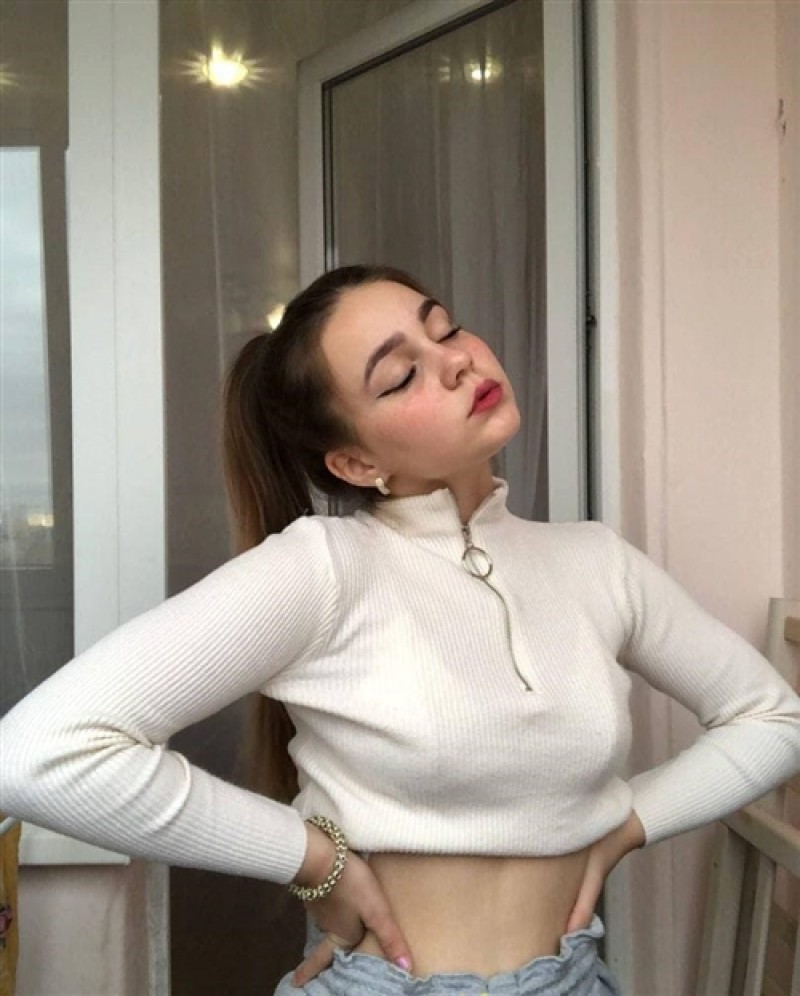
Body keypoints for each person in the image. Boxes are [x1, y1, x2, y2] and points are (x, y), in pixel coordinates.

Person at [1, 264, 799, 996]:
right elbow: (37, 755)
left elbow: (774, 718)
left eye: (445, 329)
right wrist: (309, 857)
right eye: (401, 374)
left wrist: (626, 825)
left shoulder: (598, 562)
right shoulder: (324, 568)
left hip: (575, 979)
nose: (456, 362)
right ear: (354, 464)